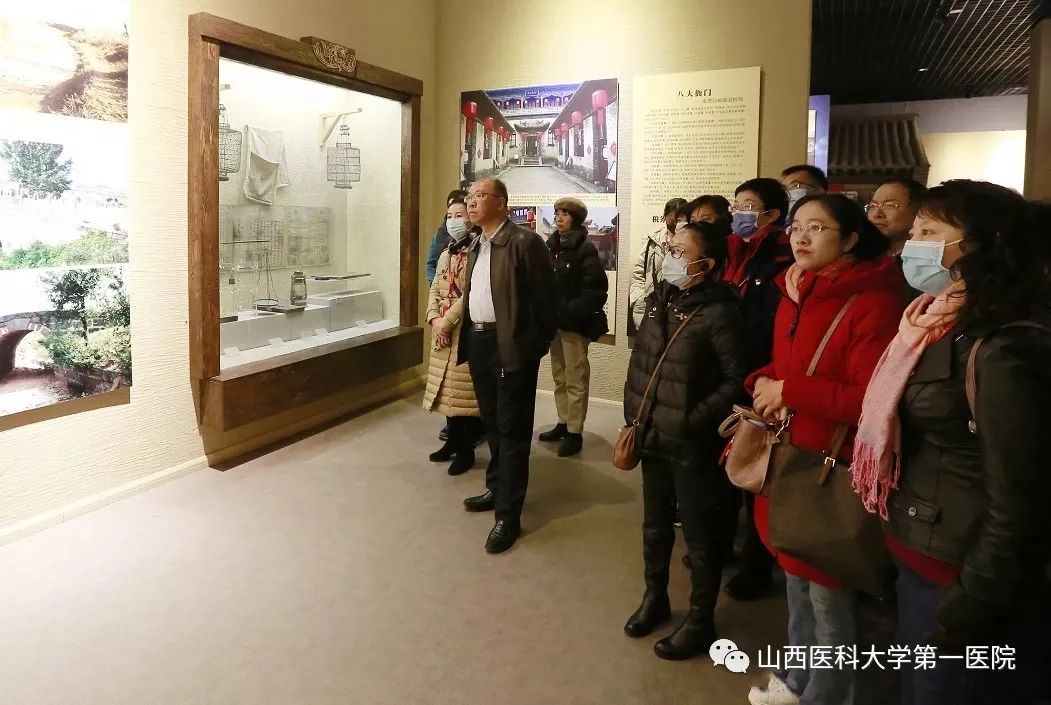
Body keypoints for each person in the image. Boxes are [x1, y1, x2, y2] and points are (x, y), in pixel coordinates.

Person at [852, 180, 1051, 705]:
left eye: (928, 233)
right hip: (919, 548)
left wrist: (970, 603)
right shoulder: (929, 323)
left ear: (979, 245)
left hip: (959, 572)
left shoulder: (1003, 348)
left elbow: (1020, 499)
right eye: (914, 231)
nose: (911, 244)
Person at [746, 194, 903, 705]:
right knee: (796, 582)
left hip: (831, 465)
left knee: (829, 600)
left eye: (818, 228)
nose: (801, 237)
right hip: (792, 455)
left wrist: (789, 391)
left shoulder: (872, 301)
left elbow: (870, 399)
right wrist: (764, 382)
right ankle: (796, 682)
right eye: (796, 227)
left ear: (852, 238)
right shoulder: (795, 289)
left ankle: (827, 695)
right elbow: (790, 366)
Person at [622, 221, 746, 660]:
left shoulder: (720, 312)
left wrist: (693, 419)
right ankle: (654, 597)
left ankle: (699, 618)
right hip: (652, 432)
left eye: (679, 251)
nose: (668, 256)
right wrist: (634, 413)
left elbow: (737, 380)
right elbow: (642, 363)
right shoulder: (660, 300)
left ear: (706, 265)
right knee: (655, 526)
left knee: (699, 534)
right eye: (668, 248)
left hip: (692, 443)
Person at [458, 178, 558, 554]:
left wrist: (531, 346)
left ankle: (508, 515)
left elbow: (547, 302)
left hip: (511, 346)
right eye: (469, 197)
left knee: (513, 429)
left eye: (479, 196)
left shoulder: (525, 242)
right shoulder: (476, 242)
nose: (471, 202)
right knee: (492, 423)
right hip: (479, 341)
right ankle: (497, 487)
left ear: (502, 203)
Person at [721, 178, 793, 601]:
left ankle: (757, 562)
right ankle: (726, 545)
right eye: (736, 204)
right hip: (727, 370)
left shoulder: (781, 257)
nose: (738, 213)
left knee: (756, 470)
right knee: (726, 464)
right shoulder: (732, 250)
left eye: (747, 205)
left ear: (771, 214)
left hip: (758, 374)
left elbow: (768, 323)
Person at [537, 197, 608, 457]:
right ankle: (563, 421)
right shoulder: (551, 246)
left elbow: (596, 289)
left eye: (565, 214)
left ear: (575, 219)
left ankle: (575, 432)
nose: (559, 217)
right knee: (559, 376)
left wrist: (570, 309)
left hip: (574, 325)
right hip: (554, 324)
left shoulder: (585, 248)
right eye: (557, 213)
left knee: (576, 378)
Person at [423, 199, 484, 476]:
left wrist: (446, 323)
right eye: (449, 215)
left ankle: (466, 449)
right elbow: (435, 287)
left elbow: (471, 293)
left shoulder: (478, 252)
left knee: (464, 396)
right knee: (447, 390)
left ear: (470, 219)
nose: (454, 220)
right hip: (443, 330)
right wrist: (434, 318)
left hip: (463, 330)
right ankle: (452, 443)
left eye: (459, 215)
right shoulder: (447, 251)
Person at [629, 198, 688, 333]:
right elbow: (639, 271)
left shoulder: (692, 242)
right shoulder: (653, 240)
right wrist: (638, 299)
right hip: (650, 306)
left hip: (679, 310)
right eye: (671, 220)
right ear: (665, 216)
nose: (675, 225)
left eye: (679, 220)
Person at [866, 178, 928, 305]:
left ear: (918, 211)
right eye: (872, 206)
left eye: (889, 205)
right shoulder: (862, 255)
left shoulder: (928, 266)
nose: (877, 214)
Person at [426, 189, 468, 284]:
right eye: (450, 205)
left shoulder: (476, 241)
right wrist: (435, 283)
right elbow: (431, 264)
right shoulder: (439, 235)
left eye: (459, 215)